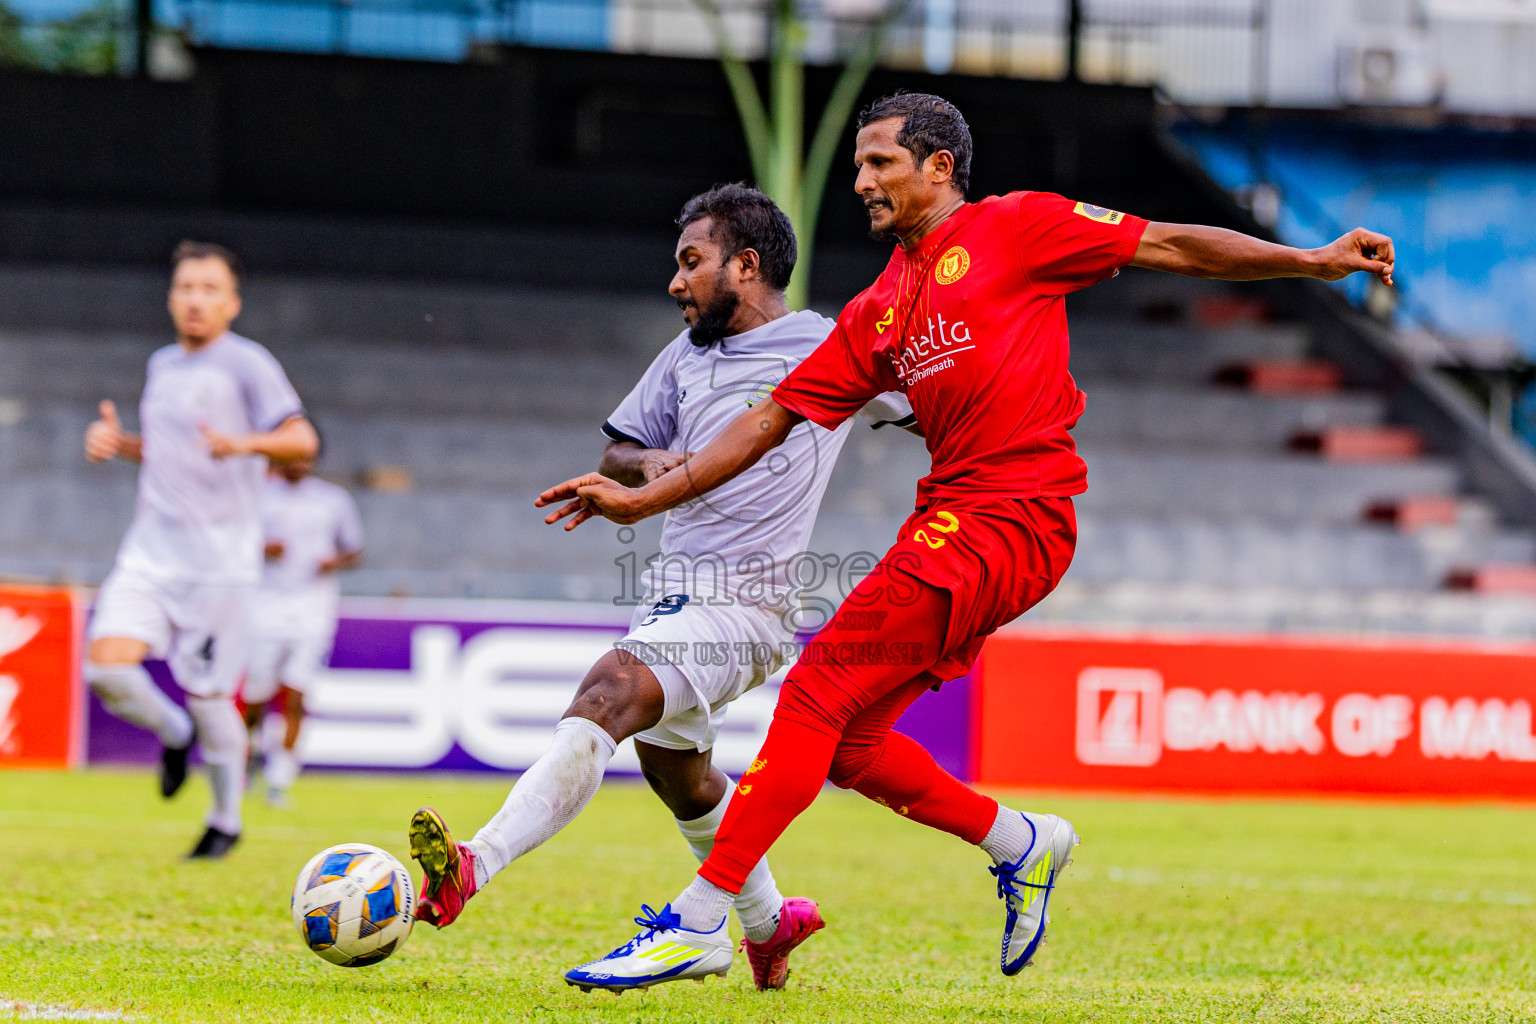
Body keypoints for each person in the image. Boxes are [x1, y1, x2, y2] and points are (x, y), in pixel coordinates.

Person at [539, 92, 1397, 986]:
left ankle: (700, 920)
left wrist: (1309, 258)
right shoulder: (880, 307)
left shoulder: (1019, 228)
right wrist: (645, 503)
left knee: (817, 691)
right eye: (861, 165)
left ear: (938, 167)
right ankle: (1022, 842)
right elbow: (769, 420)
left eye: (881, 164)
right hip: (957, 515)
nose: (862, 181)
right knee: (848, 743)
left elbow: (1170, 243)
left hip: (1016, 509)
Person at [406, 184, 914, 993]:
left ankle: (474, 863)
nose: (676, 282)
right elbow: (619, 452)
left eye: (691, 262)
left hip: (747, 607)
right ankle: (767, 922)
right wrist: (650, 466)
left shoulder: (825, 343)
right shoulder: (683, 359)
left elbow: (929, 400)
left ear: (746, 266)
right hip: (676, 595)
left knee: (608, 691)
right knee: (679, 773)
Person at [83, 241, 318, 860]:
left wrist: (242, 444)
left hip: (221, 566)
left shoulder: (247, 364)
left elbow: (302, 440)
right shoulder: (163, 365)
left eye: (210, 289)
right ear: (170, 297)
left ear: (232, 303)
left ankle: (224, 821)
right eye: (186, 287)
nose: (195, 299)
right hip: (151, 552)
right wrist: (120, 444)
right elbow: (171, 450)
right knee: (106, 669)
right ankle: (173, 731)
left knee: (214, 697)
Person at [243, 442, 364, 807]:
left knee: (297, 692)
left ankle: (281, 778)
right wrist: (261, 549)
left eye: (305, 457)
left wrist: (334, 562)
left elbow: (354, 548)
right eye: (292, 456)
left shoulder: (332, 500)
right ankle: (249, 756)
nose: (298, 463)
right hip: (265, 603)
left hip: (313, 606)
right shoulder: (258, 496)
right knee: (256, 695)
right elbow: (233, 543)